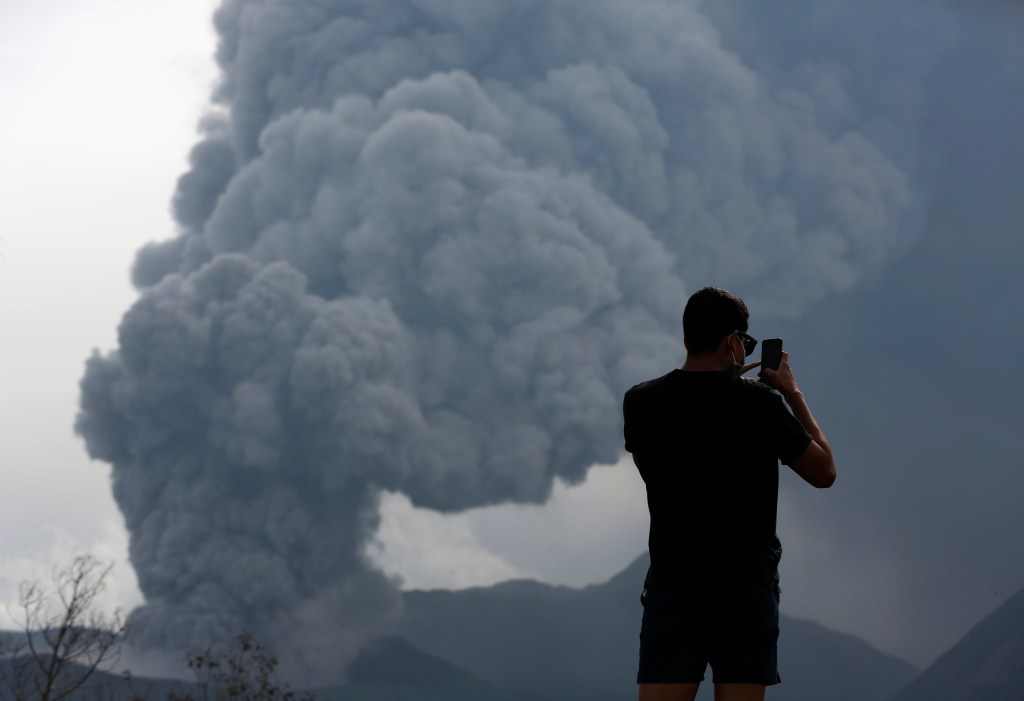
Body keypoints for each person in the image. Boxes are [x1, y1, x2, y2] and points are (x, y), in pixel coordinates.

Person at [623, 287, 836, 701]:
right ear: (733, 341)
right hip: (744, 589)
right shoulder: (761, 404)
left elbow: (652, 471)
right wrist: (792, 393)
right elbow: (824, 471)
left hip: (674, 584)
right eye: (745, 341)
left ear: (687, 339)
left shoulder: (641, 402)